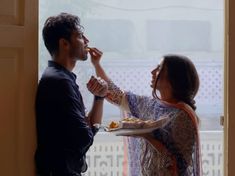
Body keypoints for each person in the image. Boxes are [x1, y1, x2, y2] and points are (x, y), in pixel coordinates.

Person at [87, 53, 202, 176]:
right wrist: (97, 64)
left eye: (159, 68)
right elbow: (117, 96)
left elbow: (177, 165)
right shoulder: (151, 106)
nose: (152, 71)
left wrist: (147, 136)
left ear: (174, 78)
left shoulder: (182, 116)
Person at [35, 13, 107, 176]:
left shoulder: (59, 77)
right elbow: (83, 138)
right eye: (80, 36)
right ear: (64, 43)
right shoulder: (60, 81)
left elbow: (84, 129)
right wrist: (89, 125)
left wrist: (99, 97)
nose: (87, 41)